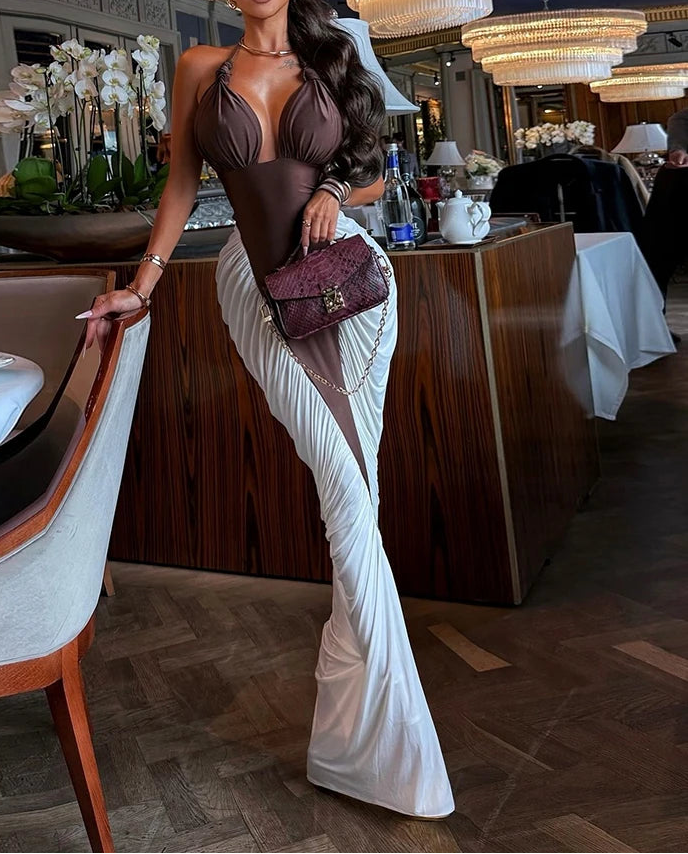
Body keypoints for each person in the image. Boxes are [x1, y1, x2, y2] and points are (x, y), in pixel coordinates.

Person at [78, 0, 454, 820]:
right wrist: (141, 290)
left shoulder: (335, 51)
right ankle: (386, 744)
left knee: (363, 490)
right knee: (344, 487)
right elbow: (182, 180)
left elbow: (376, 171)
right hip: (257, 291)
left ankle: (362, 739)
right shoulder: (198, 70)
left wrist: (333, 194)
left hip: (350, 290)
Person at [638, 108, 688, 345]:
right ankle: (654, 330)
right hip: (677, 193)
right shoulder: (681, 118)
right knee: (658, 260)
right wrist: (678, 151)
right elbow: (678, 133)